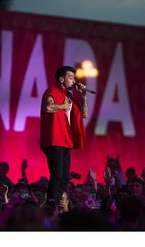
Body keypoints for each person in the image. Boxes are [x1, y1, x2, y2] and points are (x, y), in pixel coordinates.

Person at [40, 65, 88, 207]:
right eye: (70, 77)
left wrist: (83, 97)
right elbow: (47, 107)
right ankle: (51, 203)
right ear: (62, 79)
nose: (74, 81)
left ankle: (55, 202)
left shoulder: (70, 96)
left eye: (74, 78)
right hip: (55, 139)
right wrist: (62, 106)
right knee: (57, 174)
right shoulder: (52, 90)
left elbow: (83, 114)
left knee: (65, 177)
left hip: (66, 140)